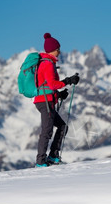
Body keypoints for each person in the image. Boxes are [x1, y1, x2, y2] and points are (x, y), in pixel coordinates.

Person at [34, 33, 79, 167]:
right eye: (57, 48)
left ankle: (53, 155)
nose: (59, 51)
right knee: (46, 131)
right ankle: (40, 161)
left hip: (46, 100)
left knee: (62, 126)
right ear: (51, 50)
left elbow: (47, 85)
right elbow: (52, 84)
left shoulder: (47, 63)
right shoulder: (47, 64)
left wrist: (58, 95)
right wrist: (68, 81)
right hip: (45, 102)